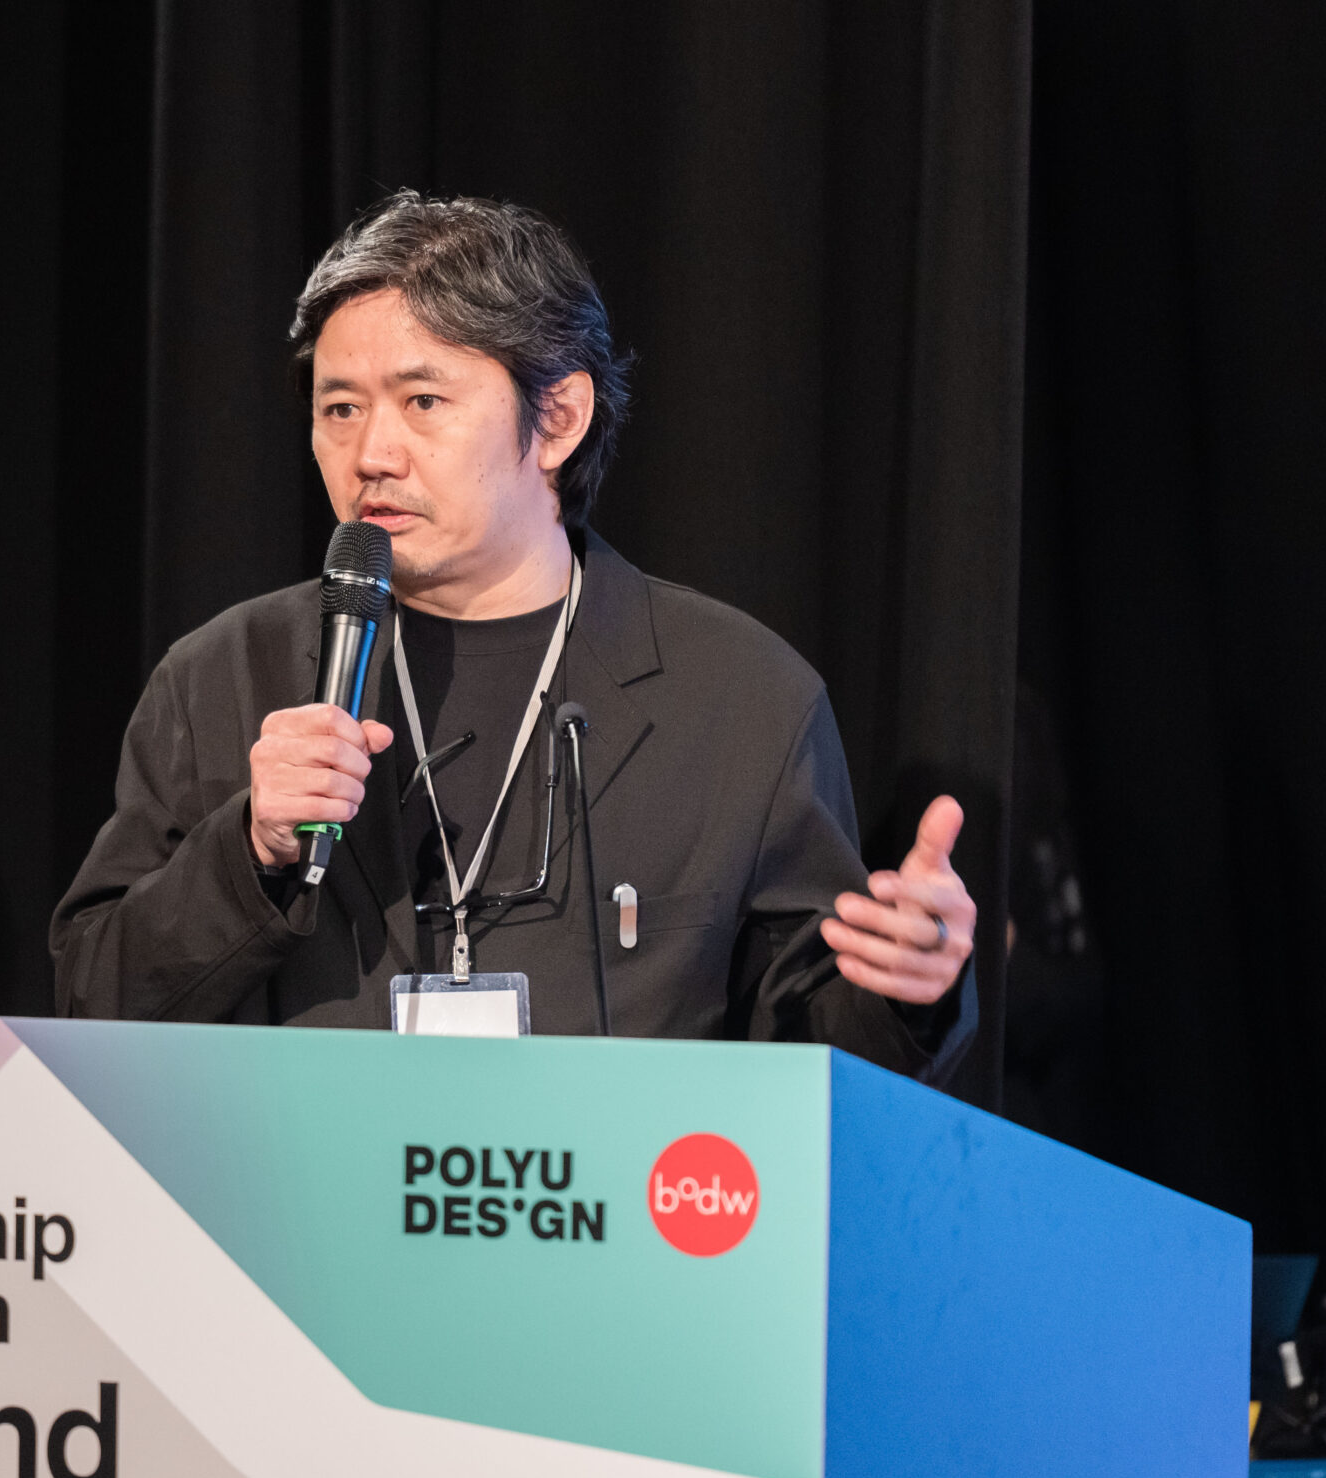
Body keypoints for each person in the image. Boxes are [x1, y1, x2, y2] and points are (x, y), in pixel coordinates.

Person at [51, 190, 976, 1082]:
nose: (372, 453)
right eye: (340, 409)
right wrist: (248, 849)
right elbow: (91, 1003)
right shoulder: (221, 678)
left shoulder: (743, 699)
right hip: (294, 1187)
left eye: (423, 401)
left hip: (615, 1192)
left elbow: (815, 1074)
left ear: (559, 418)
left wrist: (910, 991)